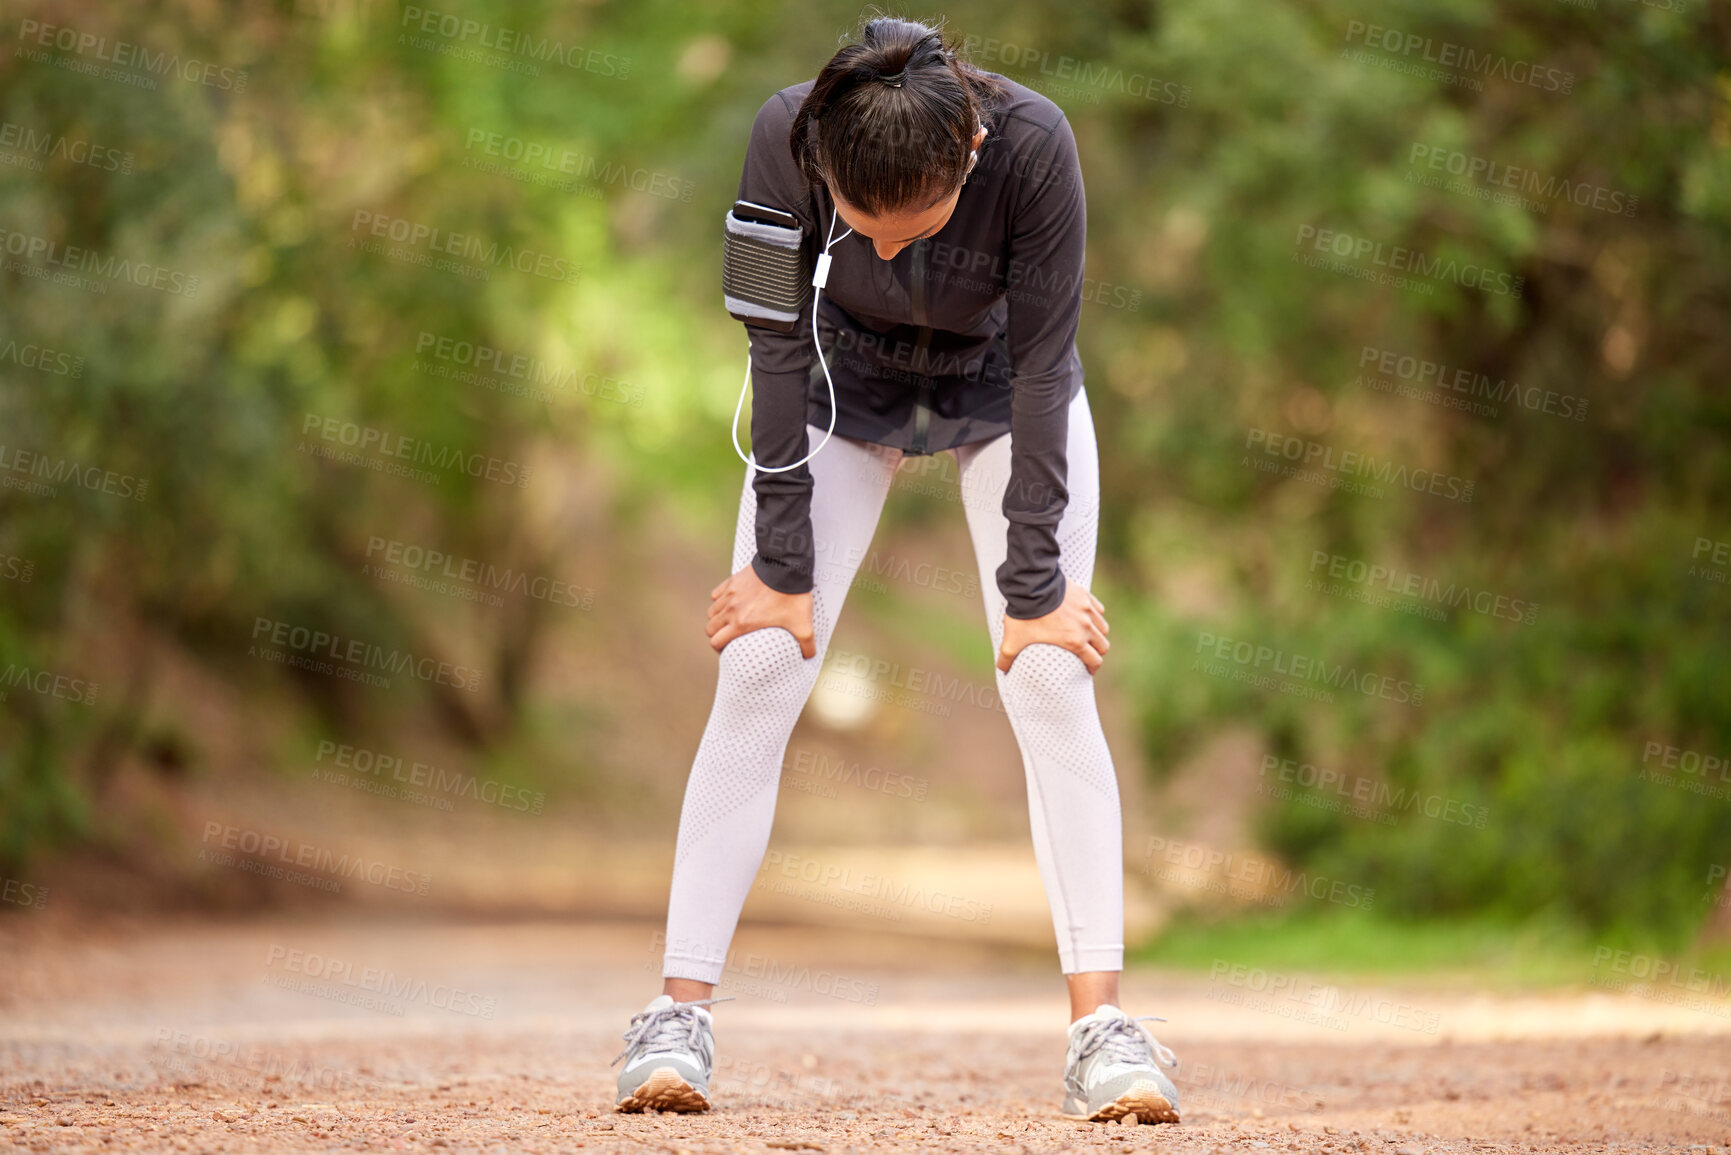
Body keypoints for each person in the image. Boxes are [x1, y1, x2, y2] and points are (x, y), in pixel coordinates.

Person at [610, 15, 1180, 1126]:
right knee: (762, 664)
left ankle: (1103, 1032)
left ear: (966, 157)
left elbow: (1047, 357)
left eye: (904, 231)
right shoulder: (786, 134)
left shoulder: (1033, 144)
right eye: (860, 233)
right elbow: (773, 341)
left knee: (1052, 679)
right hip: (838, 380)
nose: (876, 251)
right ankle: (677, 1018)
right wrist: (780, 567)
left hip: (1003, 385)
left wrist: (1032, 598)